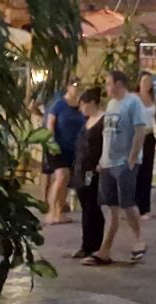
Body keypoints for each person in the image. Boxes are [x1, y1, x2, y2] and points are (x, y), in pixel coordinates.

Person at [85, 68, 147, 267]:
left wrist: (132, 157)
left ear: (118, 84)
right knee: (111, 208)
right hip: (108, 163)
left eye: (108, 83)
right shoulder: (111, 104)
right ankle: (105, 250)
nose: (106, 87)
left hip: (124, 163)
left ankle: (138, 241)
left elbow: (140, 130)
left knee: (127, 203)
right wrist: (102, 160)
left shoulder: (133, 102)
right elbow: (107, 135)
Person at [134, 71, 156, 249]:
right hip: (135, 137)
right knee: (135, 171)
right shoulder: (133, 98)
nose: (147, 84)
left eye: (149, 81)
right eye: (144, 81)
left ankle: (144, 208)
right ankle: (131, 205)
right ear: (139, 82)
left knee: (146, 173)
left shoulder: (154, 100)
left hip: (149, 137)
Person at [69, 84, 106, 260]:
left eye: (84, 105)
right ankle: (86, 243)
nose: (82, 109)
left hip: (93, 169)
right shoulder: (87, 122)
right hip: (81, 168)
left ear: (92, 103)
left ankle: (95, 244)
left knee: (92, 204)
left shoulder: (102, 121)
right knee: (85, 205)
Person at [43, 79, 84, 224]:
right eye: (74, 86)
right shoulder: (59, 104)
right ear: (68, 87)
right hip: (57, 145)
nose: (77, 89)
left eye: (79, 86)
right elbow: (50, 124)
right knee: (61, 176)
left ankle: (60, 211)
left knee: (66, 180)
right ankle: (51, 211)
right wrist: (51, 142)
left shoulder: (80, 106)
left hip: (72, 148)